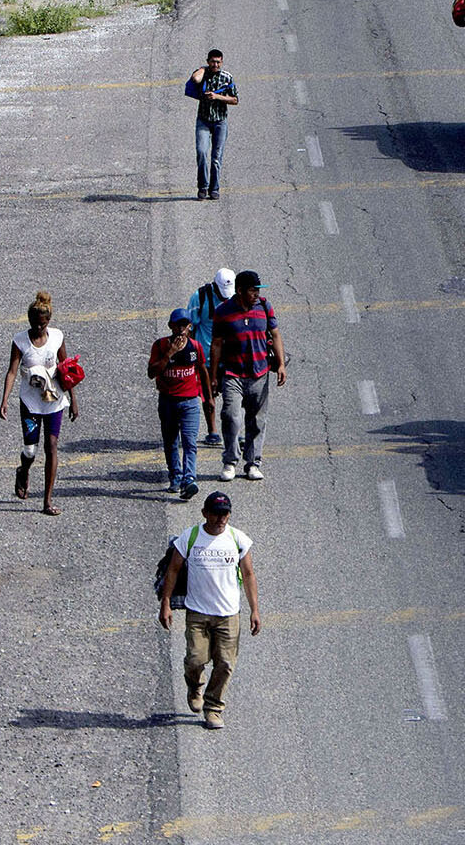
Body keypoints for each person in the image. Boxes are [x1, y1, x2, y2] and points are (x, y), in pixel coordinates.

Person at [157, 490, 260, 731]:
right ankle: (195, 686)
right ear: (205, 513)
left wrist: (255, 610)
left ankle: (213, 708)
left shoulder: (238, 539)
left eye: (225, 513)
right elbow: (172, 570)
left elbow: (248, 574)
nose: (221, 518)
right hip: (198, 613)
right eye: (215, 513)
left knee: (225, 663)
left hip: (229, 615)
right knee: (195, 659)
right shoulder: (190, 537)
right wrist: (166, 603)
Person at [0, 291, 79, 515]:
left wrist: (73, 399)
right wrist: (5, 399)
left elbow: (67, 368)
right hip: (31, 402)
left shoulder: (57, 338)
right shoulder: (20, 341)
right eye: (34, 324)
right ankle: (23, 470)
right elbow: (12, 371)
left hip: (53, 400)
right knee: (30, 450)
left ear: (48, 323)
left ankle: (47, 500)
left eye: (42, 325)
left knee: (51, 446)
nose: (38, 329)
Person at [215, 270, 286, 482]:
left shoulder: (265, 307)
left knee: (257, 420)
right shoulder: (223, 311)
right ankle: (230, 461)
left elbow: (275, 334)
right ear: (239, 291)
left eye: (258, 290)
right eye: (252, 290)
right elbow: (217, 344)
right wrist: (212, 375)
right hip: (232, 374)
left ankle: (253, 462)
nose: (256, 294)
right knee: (230, 416)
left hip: (260, 374)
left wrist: (281, 364)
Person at [150, 309, 210, 500]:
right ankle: (175, 476)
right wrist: (169, 354)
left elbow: (202, 370)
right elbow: (152, 373)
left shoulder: (195, 346)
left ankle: (189, 479)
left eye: (185, 325)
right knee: (171, 441)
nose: (182, 329)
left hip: (190, 401)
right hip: (168, 401)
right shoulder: (160, 346)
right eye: (178, 325)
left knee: (190, 442)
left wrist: (208, 397)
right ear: (171, 326)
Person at [188, 267, 233, 445]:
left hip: (230, 357)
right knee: (209, 397)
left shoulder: (236, 298)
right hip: (205, 357)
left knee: (234, 397)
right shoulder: (199, 297)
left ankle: (234, 430)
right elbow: (189, 327)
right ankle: (212, 431)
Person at [186, 49, 237, 200]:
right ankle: (202, 186)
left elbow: (235, 100)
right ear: (208, 61)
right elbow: (195, 80)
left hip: (220, 122)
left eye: (218, 62)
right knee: (202, 152)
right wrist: (202, 69)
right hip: (203, 120)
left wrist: (217, 97)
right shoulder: (203, 74)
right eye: (213, 62)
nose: (216, 65)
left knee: (216, 157)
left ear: (222, 62)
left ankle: (214, 188)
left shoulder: (227, 77)